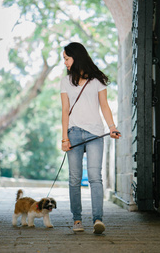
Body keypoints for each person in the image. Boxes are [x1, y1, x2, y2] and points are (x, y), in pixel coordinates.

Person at [60, 42, 121, 234]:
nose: (65, 63)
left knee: (95, 177)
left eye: (66, 58)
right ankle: (77, 220)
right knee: (74, 179)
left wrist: (112, 127)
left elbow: (104, 106)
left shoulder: (97, 81)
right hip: (74, 133)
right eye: (64, 59)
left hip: (95, 132)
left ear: (76, 58)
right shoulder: (65, 81)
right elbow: (64, 111)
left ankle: (97, 219)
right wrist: (64, 138)